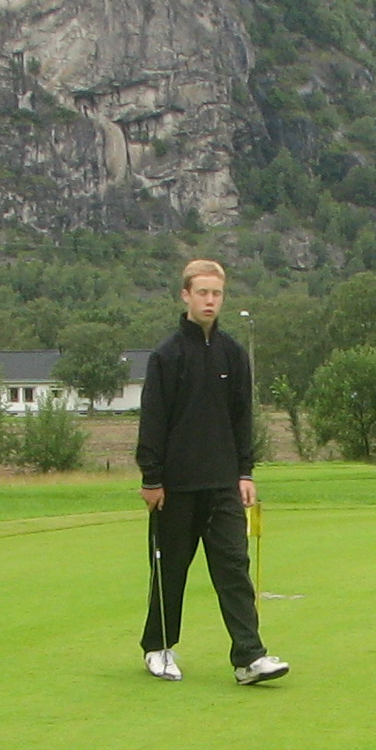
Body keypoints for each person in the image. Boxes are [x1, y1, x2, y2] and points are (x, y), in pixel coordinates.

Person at [136, 260, 289, 686]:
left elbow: (241, 418)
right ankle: (158, 647)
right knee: (170, 571)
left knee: (233, 569)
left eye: (216, 294)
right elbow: (153, 418)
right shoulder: (167, 355)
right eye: (202, 293)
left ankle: (249, 657)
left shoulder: (232, 354)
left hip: (223, 483)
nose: (209, 301)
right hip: (175, 487)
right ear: (185, 295)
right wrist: (151, 478)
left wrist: (245, 472)